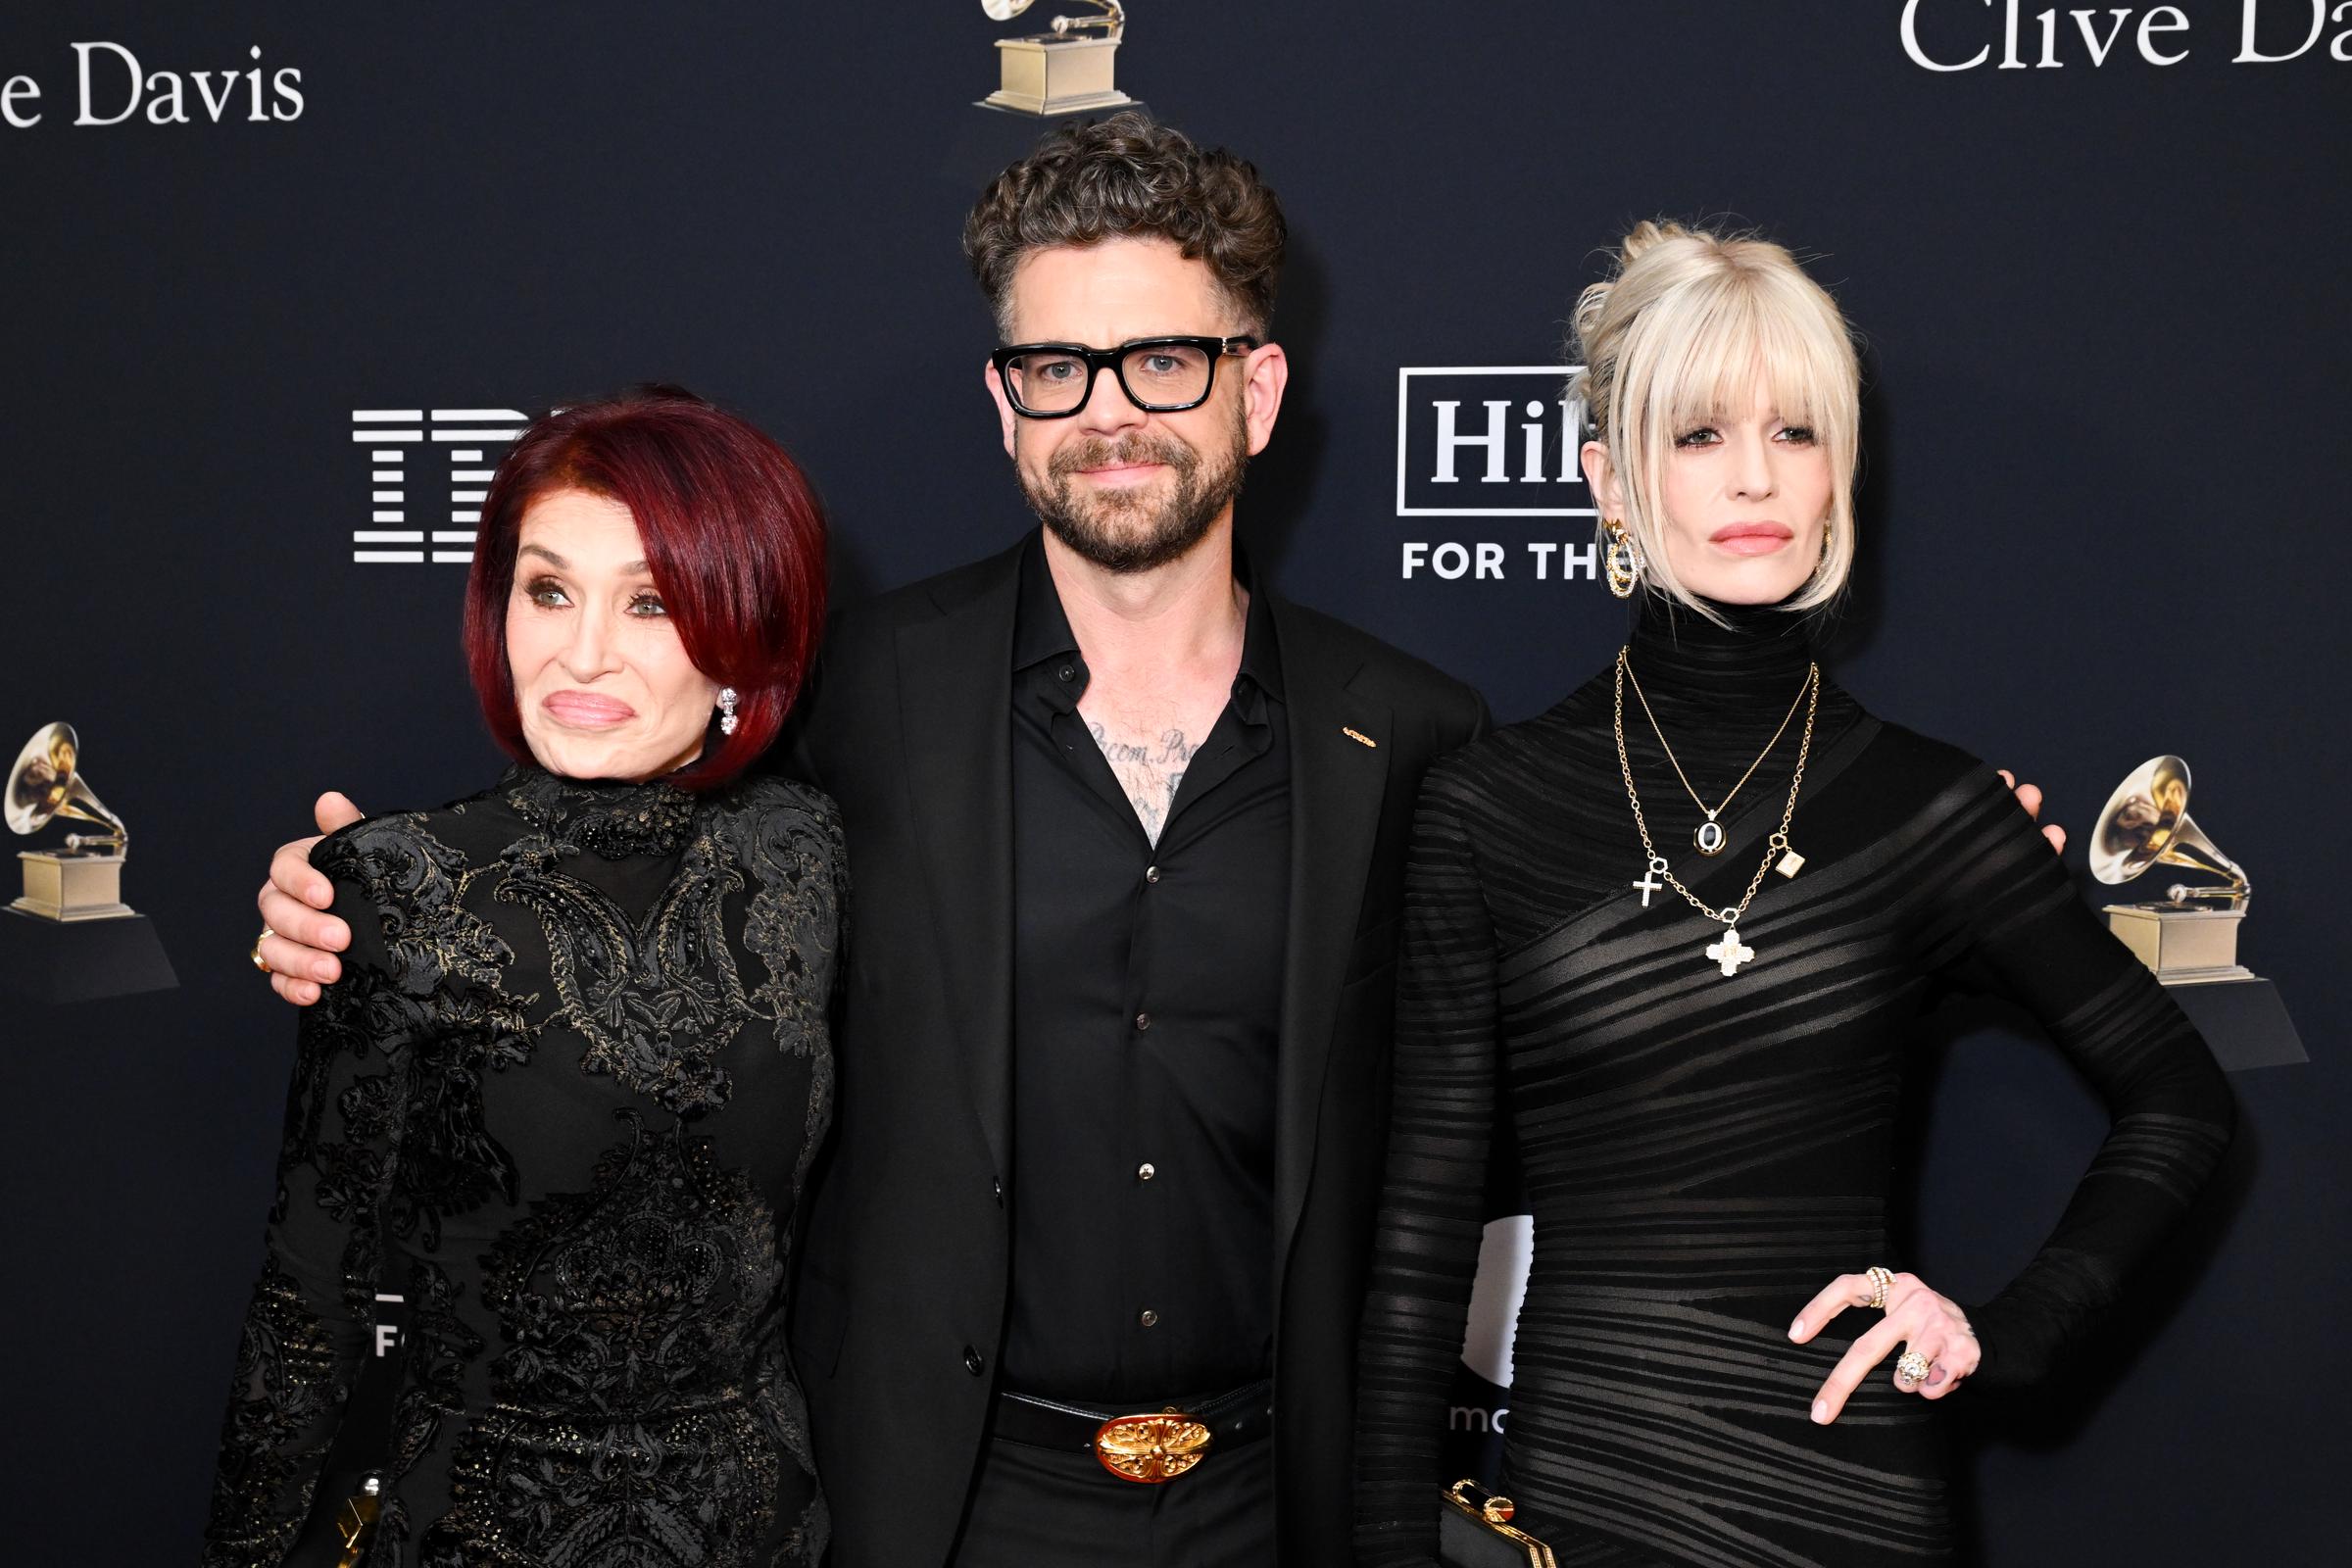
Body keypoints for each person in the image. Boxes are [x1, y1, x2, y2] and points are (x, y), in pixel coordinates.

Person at [245, 124, 2064, 1567]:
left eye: (1166, 358)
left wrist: (1885, 861)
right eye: (1057, 364)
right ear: (1004, 405)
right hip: (939, 1506)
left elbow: (1586, 1036)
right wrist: (356, 916)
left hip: (1292, 1496)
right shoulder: (853, 701)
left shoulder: (1413, 738)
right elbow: (601, 880)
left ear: (1257, 394)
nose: (1111, 406)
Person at [1350, 221, 2237, 1565]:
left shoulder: (1931, 808)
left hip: (1856, 1500)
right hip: (1592, 1499)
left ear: (1842, 471)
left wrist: (2008, 1327)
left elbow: (2179, 1100)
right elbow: (1417, 1240)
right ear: (1608, 478)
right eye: (1699, 436)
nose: (1755, 477)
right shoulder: (1491, 806)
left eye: (1797, 433)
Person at [208, 389, 842, 1565]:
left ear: (741, 641)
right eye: (549, 588)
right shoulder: (399, 887)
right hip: (478, 1533)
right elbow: (309, 1306)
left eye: (650, 602)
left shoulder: (807, 849)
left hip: (764, 1530)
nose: (580, 650)